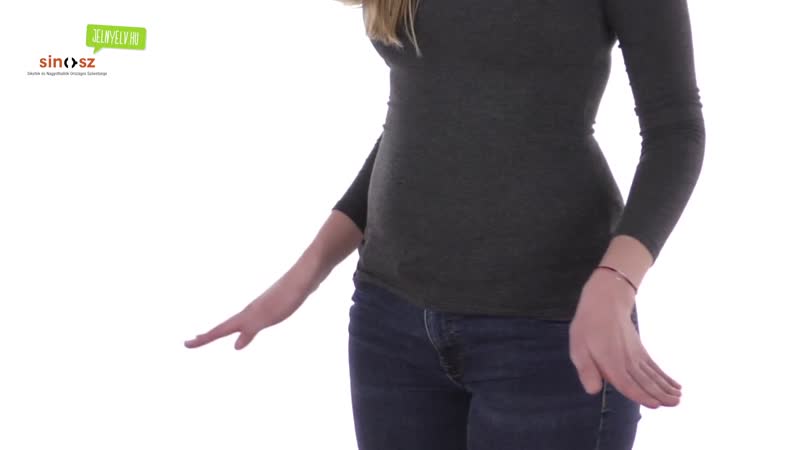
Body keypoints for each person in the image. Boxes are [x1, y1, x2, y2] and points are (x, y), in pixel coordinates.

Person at [184, 0, 705, 448]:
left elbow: (676, 131)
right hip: (390, 325)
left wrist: (617, 281)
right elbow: (422, 115)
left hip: (548, 331)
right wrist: (307, 271)